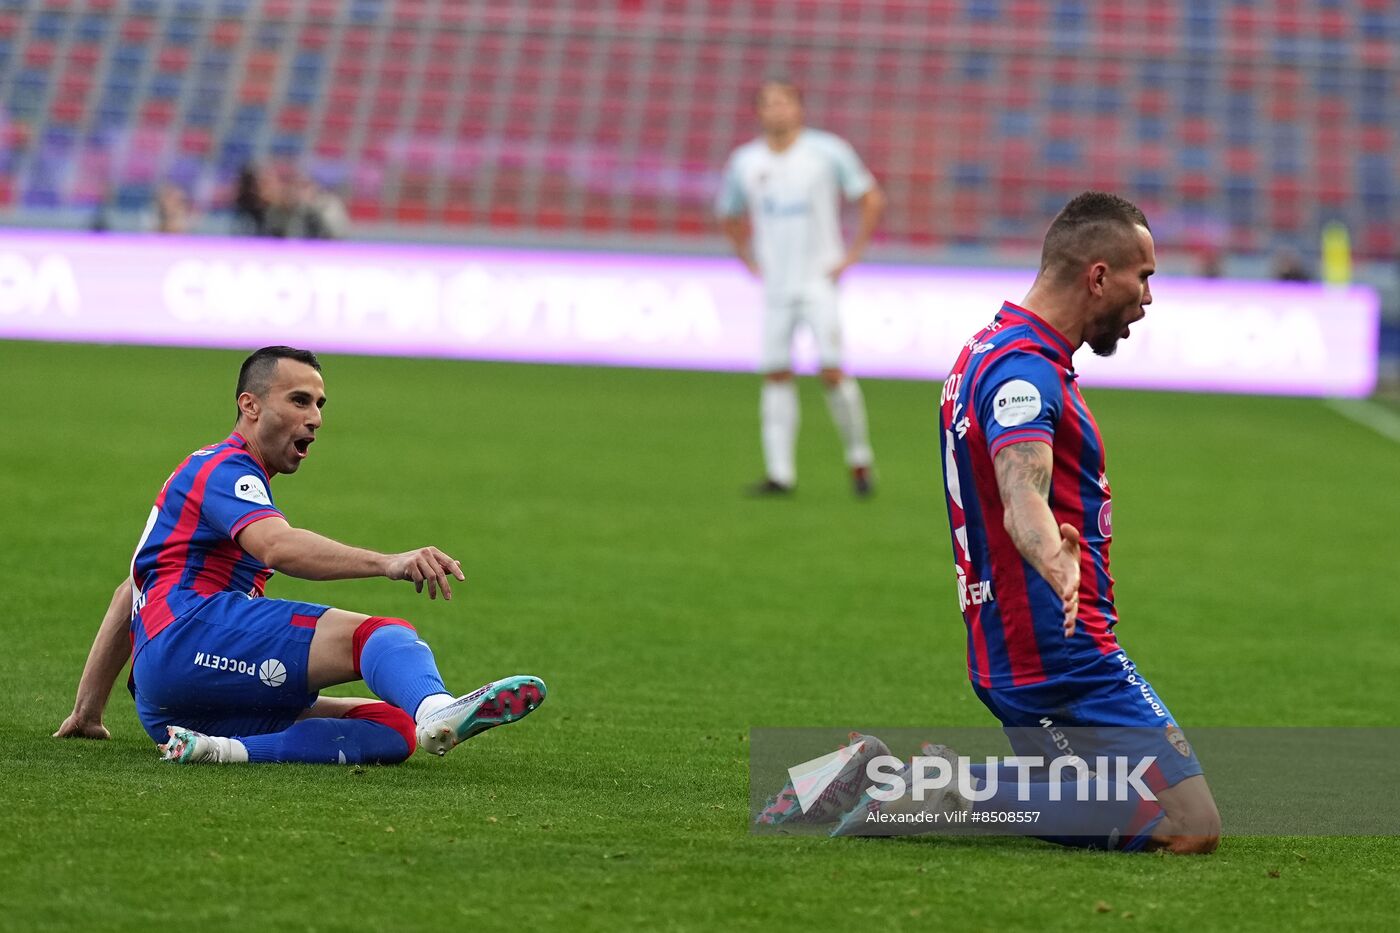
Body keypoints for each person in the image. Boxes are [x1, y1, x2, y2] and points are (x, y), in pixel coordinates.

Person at [761, 193, 1221, 854]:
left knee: (1092, 794)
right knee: (1187, 823)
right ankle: (929, 788)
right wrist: (1052, 556)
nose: (1149, 295)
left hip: (1016, 642)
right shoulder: (1023, 373)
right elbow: (1020, 488)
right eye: (1142, 275)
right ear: (1097, 276)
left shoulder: (989, 348)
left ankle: (873, 772)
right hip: (1059, 653)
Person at [54, 346, 546, 765]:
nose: (315, 417)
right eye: (299, 400)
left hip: (167, 701)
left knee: (391, 726)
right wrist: (388, 562)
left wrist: (88, 711)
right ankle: (437, 706)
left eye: (320, 404)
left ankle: (219, 749)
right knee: (382, 635)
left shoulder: (210, 474)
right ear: (250, 405)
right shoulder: (227, 469)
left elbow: (128, 593)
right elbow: (277, 546)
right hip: (193, 636)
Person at [716, 79, 886, 497]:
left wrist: (852, 254)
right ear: (758, 112)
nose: (776, 110)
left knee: (831, 370)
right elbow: (729, 212)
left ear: (799, 108)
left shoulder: (827, 152)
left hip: (818, 281)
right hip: (776, 285)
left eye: (784, 102)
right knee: (775, 374)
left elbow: (870, 198)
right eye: (768, 103)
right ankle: (780, 474)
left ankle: (859, 459)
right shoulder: (745, 162)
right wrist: (747, 258)